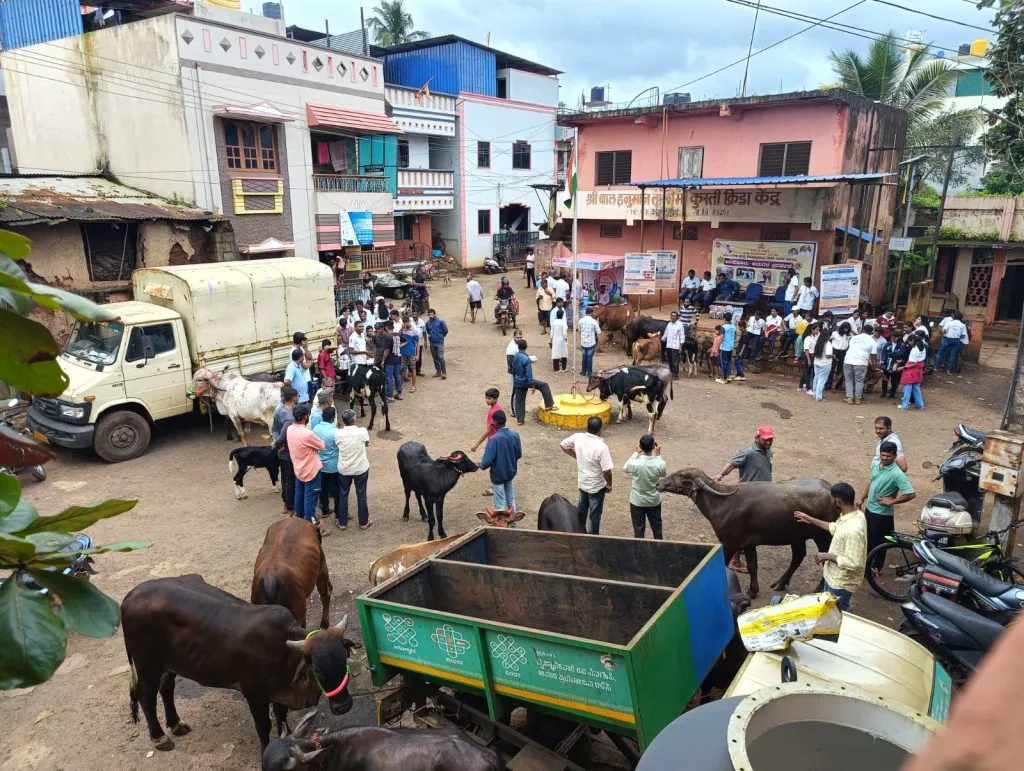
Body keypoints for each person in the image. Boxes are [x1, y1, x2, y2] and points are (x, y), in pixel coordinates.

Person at [793, 483, 867, 612]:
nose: (830, 502)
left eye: (831, 499)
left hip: (840, 583)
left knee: (839, 613)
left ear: (838, 501)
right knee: (830, 611)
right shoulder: (854, 515)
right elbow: (836, 528)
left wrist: (827, 556)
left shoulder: (853, 530)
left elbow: (854, 563)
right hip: (832, 576)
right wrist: (811, 520)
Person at [860, 440, 916, 574]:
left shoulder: (897, 474)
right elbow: (871, 481)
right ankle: (866, 565)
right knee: (868, 539)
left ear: (895, 456)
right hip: (870, 510)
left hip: (882, 515)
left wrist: (892, 501)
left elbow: (910, 494)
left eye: (888, 456)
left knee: (880, 544)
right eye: (882, 455)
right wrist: (862, 497)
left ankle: (875, 569)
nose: (885, 458)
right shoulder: (875, 464)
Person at [560, 416, 614, 534]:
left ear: (587, 427)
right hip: (596, 486)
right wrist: (609, 484)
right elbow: (606, 470)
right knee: (594, 516)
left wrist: (576, 456)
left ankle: (579, 533)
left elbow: (563, 445)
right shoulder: (602, 447)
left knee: (582, 510)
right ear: (600, 430)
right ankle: (592, 538)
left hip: (583, 482)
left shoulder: (578, 437)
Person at [286, 404, 326, 531]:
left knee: (299, 493)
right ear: (305, 417)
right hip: (311, 469)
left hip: (298, 468)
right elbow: (321, 446)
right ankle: (310, 522)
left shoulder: (290, 429)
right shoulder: (307, 434)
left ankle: (299, 517)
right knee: (311, 496)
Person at [623, 434, 667, 540]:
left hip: (637, 501)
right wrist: (658, 455)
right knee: (657, 529)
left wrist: (635, 453)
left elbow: (625, 468)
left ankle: (639, 551)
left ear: (640, 447)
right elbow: (663, 474)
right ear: (653, 447)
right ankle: (659, 548)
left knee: (638, 530)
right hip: (653, 500)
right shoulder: (660, 463)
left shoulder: (635, 463)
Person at [479, 409, 522, 517]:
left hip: (498, 475)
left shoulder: (494, 439)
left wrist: (481, 465)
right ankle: (512, 524)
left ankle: (501, 524)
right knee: (511, 499)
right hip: (511, 471)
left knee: (499, 502)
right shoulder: (515, 435)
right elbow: (519, 454)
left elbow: (487, 461)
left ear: (496, 422)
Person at [335, 408, 371, 530]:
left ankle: (342, 522)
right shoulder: (362, 431)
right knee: (361, 495)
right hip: (360, 468)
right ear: (354, 419)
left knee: (343, 494)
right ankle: (363, 522)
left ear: (342, 420)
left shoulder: (338, 433)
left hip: (344, 468)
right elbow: (367, 443)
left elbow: (337, 445)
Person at [511, 339, 557, 423]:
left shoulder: (515, 357)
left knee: (519, 400)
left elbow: (513, 370)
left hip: (517, 381)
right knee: (544, 385)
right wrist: (532, 385)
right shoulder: (526, 359)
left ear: (518, 347)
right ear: (526, 347)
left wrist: (515, 381)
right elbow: (529, 374)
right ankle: (549, 404)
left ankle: (520, 420)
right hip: (525, 381)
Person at [272, 385, 299, 515]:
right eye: (297, 396)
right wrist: (279, 443)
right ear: (293, 398)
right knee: (290, 479)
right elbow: (278, 431)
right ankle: (290, 506)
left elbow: (274, 430)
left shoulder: (279, 410)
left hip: (282, 451)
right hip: (288, 451)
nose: (298, 398)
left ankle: (286, 503)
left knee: (285, 478)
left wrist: (277, 444)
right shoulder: (289, 416)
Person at [313, 406, 339, 520]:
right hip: (333, 465)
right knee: (336, 489)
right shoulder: (335, 431)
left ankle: (325, 509)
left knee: (323, 488)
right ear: (333, 418)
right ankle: (339, 511)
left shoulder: (316, 428)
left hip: (320, 464)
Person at [844, 322, 874, 405]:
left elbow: (850, 347)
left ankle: (850, 398)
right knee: (859, 381)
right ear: (871, 332)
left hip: (848, 360)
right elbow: (873, 355)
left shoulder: (854, 338)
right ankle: (857, 399)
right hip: (861, 362)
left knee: (849, 380)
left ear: (862, 330)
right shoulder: (871, 340)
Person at [898, 329, 928, 411]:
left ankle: (905, 405)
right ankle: (920, 405)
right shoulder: (923, 347)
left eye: (910, 341)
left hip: (912, 371)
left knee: (907, 388)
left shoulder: (915, 349)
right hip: (919, 370)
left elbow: (913, 363)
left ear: (913, 341)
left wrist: (903, 367)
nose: (909, 343)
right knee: (916, 388)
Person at [472, 388, 505, 453]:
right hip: (499, 438)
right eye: (486, 398)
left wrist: (476, 445)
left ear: (495, 399)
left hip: (493, 440)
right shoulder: (498, 407)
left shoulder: (492, 412)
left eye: (489, 399)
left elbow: (488, 431)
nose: (487, 400)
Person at [716, 311, 745, 384]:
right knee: (728, 362)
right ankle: (728, 377)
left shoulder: (723, 327)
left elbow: (722, 337)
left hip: (724, 347)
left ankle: (724, 379)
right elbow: (735, 337)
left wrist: (718, 346)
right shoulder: (733, 327)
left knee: (723, 363)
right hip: (731, 347)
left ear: (725, 319)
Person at [505, 329, 525, 419]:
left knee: (520, 391)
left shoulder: (520, 345)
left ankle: (519, 408)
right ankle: (512, 410)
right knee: (513, 391)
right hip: (514, 373)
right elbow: (510, 363)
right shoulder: (511, 348)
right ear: (514, 337)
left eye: (520, 338)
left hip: (520, 372)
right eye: (517, 338)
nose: (519, 339)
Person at [811, 325, 833, 401]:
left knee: (816, 377)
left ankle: (814, 394)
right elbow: (828, 355)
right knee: (822, 380)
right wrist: (833, 356)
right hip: (825, 363)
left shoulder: (818, 341)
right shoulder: (828, 343)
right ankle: (819, 397)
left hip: (817, 362)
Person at [578, 305, 601, 377]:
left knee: (584, 357)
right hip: (591, 342)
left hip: (583, 342)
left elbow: (579, 330)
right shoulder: (594, 321)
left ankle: (583, 371)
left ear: (585, 312)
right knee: (589, 357)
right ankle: (589, 372)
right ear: (591, 313)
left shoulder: (581, 320)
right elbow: (599, 332)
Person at [662, 310, 686, 379]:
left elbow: (682, 336)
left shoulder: (680, 325)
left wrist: (680, 347)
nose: (673, 317)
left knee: (675, 361)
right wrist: (662, 339)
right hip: (669, 345)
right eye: (671, 316)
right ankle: (671, 373)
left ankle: (675, 375)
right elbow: (666, 333)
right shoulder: (669, 324)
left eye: (674, 316)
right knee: (669, 360)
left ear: (677, 317)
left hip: (675, 346)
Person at [425, 308, 448, 378]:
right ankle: (438, 372)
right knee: (435, 358)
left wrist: (441, 336)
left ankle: (444, 372)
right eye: (429, 315)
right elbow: (428, 331)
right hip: (432, 342)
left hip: (439, 342)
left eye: (432, 314)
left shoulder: (441, 321)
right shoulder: (427, 323)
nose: (431, 316)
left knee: (440, 357)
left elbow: (446, 331)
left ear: (435, 314)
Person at [827, 321, 851, 391]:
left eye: (847, 329)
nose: (846, 330)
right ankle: (828, 384)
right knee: (832, 368)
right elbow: (828, 340)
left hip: (843, 352)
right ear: (842, 328)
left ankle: (838, 385)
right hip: (835, 351)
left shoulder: (848, 335)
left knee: (841, 369)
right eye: (845, 328)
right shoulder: (835, 333)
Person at [797, 321, 818, 393]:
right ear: (812, 330)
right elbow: (806, 350)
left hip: (812, 355)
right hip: (808, 356)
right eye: (816, 330)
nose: (817, 331)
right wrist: (809, 360)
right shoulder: (808, 338)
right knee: (808, 373)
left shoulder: (814, 337)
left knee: (805, 371)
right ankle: (808, 388)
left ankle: (800, 386)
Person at [399, 319, 419, 393]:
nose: (406, 324)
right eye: (405, 322)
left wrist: (417, 355)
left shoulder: (414, 330)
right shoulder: (402, 330)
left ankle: (413, 386)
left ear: (409, 322)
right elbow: (398, 335)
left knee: (413, 369)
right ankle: (400, 386)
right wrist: (402, 328)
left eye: (407, 322)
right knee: (403, 369)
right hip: (403, 353)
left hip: (411, 353)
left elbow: (417, 343)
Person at [550, 304, 568, 371]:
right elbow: (564, 333)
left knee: (555, 354)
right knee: (564, 354)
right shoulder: (563, 323)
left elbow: (551, 333)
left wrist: (551, 340)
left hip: (555, 340)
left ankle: (556, 369)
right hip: (562, 340)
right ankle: (564, 368)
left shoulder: (553, 323)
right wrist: (566, 339)